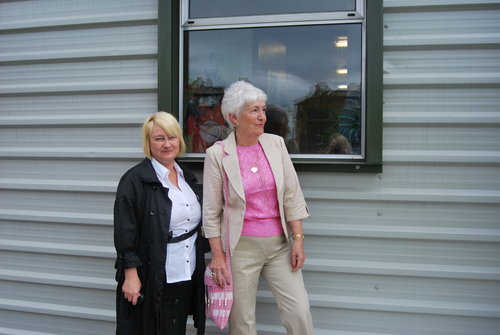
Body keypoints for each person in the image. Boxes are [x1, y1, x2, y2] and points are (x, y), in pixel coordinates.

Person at [203, 81, 314, 334]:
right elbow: (211, 212)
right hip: (240, 249)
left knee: (299, 311)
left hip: (279, 247)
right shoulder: (218, 155)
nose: (262, 116)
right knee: (242, 321)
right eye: (254, 110)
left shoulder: (276, 145)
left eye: (263, 109)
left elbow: (292, 196)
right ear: (233, 117)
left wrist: (298, 239)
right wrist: (218, 256)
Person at [113, 111, 208, 335]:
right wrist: (130, 275)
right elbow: (126, 233)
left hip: (187, 272)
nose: (167, 144)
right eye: (159, 138)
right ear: (148, 143)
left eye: (172, 137)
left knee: (176, 329)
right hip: (154, 275)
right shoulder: (135, 180)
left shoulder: (186, 176)